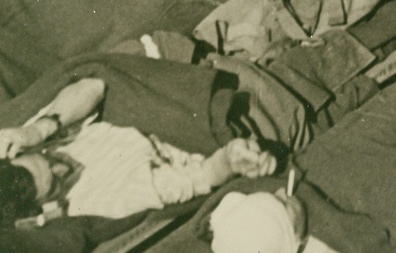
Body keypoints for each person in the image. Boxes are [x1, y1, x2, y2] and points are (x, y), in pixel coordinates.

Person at [0, 77, 275, 225]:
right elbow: (198, 177)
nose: (63, 166)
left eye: (50, 161)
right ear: (45, 206)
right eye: (56, 182)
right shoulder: (99, 202)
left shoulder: (34, 141)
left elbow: (93, 86)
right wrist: (230, 159)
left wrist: (39, 129)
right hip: (204, 120)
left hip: (163, 81)